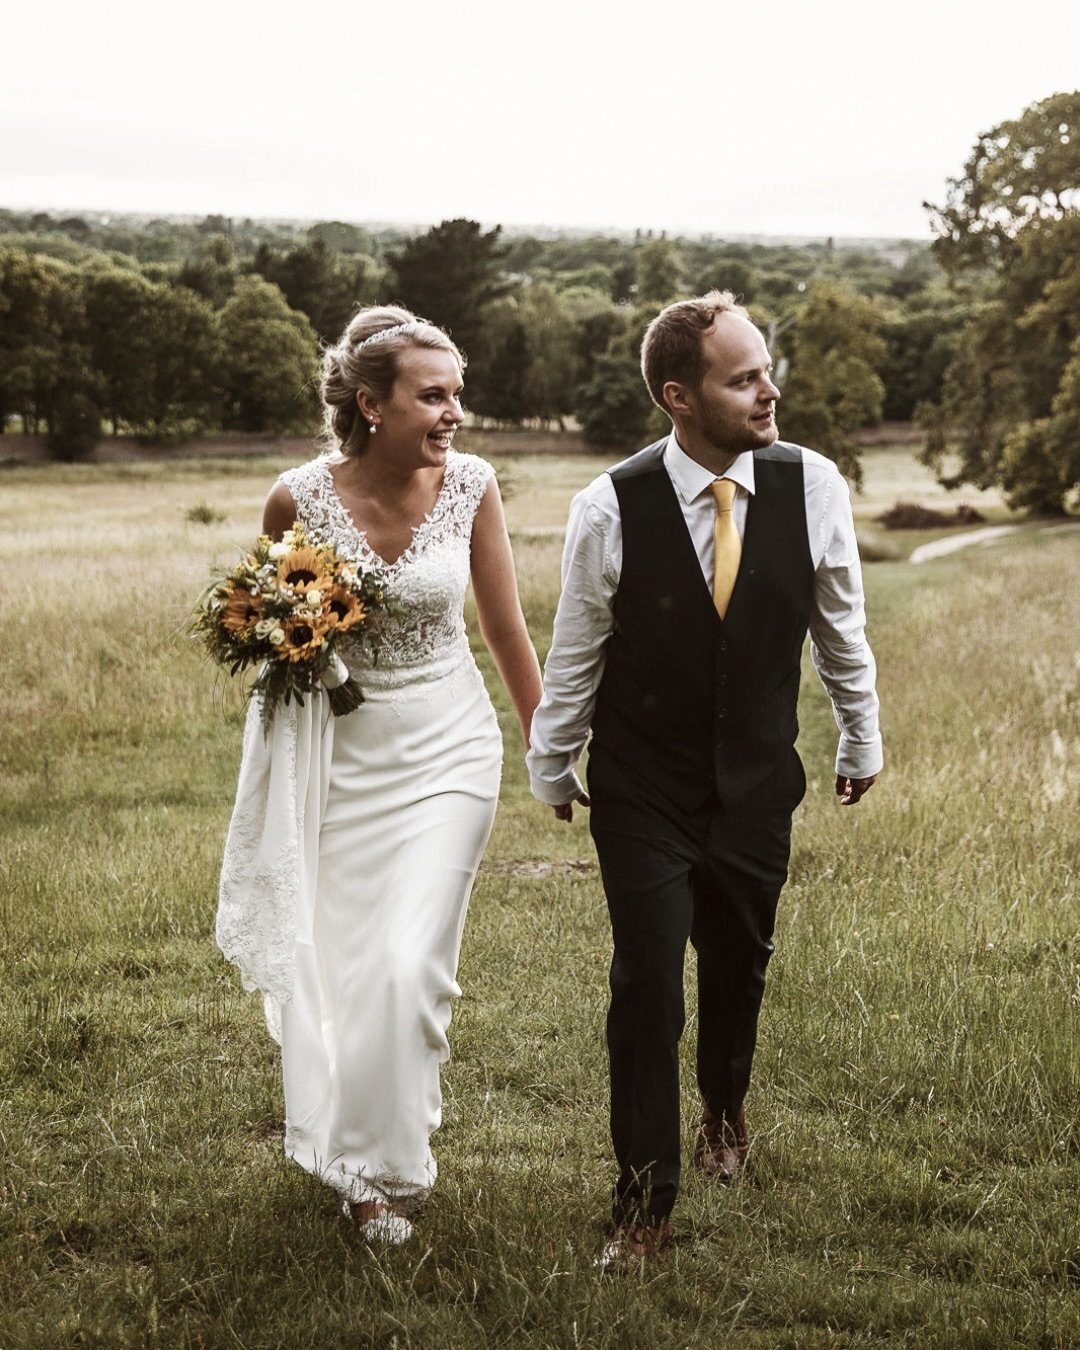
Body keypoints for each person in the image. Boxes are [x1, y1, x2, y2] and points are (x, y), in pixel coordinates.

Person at [527, 291, 882, 1269]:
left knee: (739, 965)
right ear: (680, 396)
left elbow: (839, 626)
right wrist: (552, 759)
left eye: (767, 369)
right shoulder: (610, 505)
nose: (771, 391)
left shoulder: (814, 488)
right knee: (647, 984)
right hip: (643, 786)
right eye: (744, 378)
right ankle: (644, 1208)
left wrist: (862, 737)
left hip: (760, 782)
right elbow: (578, 649)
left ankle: (724, 1109)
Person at [217, 305, 543, 1244]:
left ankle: (395, 1162)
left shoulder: (472, 485)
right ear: (371, 404)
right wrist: (296, 646)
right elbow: (272, 626)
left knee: (408, 965)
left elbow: (504, 627)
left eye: (457, 395)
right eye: (432, 396)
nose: (453, 413)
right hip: (345, 758)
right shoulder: (297, 499)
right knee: (352, 968)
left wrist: (543, 742)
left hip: (450, 742)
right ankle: (360, 1175)